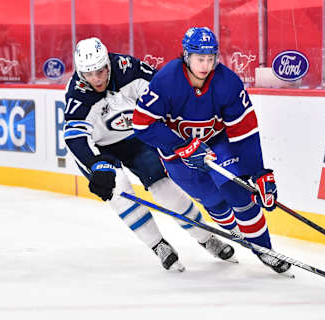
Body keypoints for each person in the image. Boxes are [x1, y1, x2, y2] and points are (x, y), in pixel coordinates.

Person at [63, 37, 236, 272]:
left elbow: (165, 92)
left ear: (108, 63)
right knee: (120, 191)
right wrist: (94, 165)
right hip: (99, 148)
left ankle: (206, 237)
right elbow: (75, 136)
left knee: (164, 186)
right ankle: (158, 245)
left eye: (101, 71)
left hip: (134, 137)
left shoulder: (128, 69)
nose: (97, 79)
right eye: (89, 74)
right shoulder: (78, 93)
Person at [132, 27, 291, 274]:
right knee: (215, 204)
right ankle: (240, 233)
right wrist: (180, 145)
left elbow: (245, 131)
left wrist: (258, 172)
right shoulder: (166, 81)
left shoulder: (227, 82)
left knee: (238, 194)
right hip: (177, 157)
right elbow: (142, 125)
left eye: (210, 58)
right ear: (187, 56)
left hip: (217, 144)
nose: (206, 65)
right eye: (200, 58)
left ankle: (264, 250)